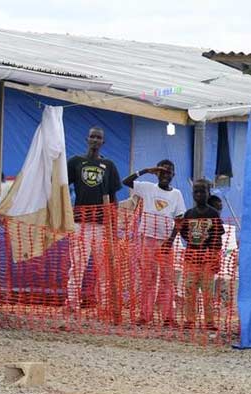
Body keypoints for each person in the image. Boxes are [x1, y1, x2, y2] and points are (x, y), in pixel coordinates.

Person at [122, 160, 186, 326]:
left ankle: (168, 317)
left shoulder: (177, 194)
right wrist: (145, 170)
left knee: (166, 280)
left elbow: (180, 220)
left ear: (173, 175)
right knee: (148, 279)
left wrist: (170, 242)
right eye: (162, 171)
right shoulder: (148, 187)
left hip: (166, 243)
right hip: (148, 239)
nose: (165, 174)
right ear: (157, 173)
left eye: (169, 172)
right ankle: (145, 315)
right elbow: (126, 182)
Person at [66, 126, 122, 312]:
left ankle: (104, 305)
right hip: (79, 222)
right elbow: (60, 185)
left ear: (103, 142)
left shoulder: (110, 166)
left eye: (99, 137)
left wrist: (113, 224)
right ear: (87, 139)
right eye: (92, 137)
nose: (95, 140)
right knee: (77, 265)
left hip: (102, 224)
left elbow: (113, 197)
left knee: (104, 268)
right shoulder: (75, 162)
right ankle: (72, 304)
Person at [168, 179, 224, 331]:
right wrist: (180, 229)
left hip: (207, 259)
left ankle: (209, 322)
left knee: (207, 291)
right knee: (189, 289)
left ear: (208, 193)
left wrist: (215, 256)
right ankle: (190, 320)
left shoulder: (213, 213)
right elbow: (185, 234)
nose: (199, 194)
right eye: (196, 192)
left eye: (202, 191)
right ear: (193, 194)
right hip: (191, 258)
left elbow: (218, 236)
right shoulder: (189, 213)